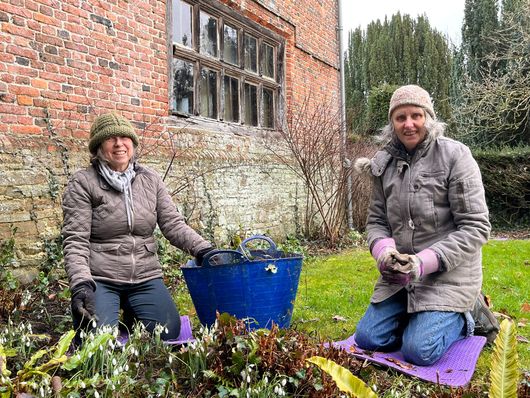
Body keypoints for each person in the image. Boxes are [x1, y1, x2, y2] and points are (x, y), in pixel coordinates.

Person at [353, 85, 496, 366]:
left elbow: (476, 226)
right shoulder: (385, 165)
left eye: (416, 115)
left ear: (428, 118)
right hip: (401, 279)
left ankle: (468, 315)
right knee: (368, 339)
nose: (409, 124)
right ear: (392, 123)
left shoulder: (456, 156)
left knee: (419, 351)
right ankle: (421, 316)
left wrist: (422, 263)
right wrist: (384, 252)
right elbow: (377, 222)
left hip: (447, 276)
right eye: (400, 117)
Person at [62, 112, 214, 344]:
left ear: (133, 143)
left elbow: (173, 223)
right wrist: (81, 284)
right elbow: (76, 239)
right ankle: (108, 311)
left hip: (144, 275)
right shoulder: (83, 183)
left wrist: (205, 250)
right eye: (110, 138)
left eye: (125, 138)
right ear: (98, 146)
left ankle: (131, 314)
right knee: (96, 340)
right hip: (102, 276)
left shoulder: (150, 179)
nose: (119, 144)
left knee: (169, 331)